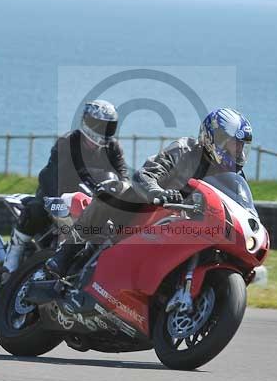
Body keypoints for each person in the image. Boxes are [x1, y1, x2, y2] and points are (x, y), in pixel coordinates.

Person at [45, 107, 253, 277]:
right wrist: (158, 192)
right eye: (234, 145)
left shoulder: (234, 176)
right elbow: (146, 174)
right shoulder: (185, 150)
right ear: (214, 138)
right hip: (152, 213)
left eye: (242, 147)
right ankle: (66, 253)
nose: (239, 152)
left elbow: (242, 208)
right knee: (114, 189)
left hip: (192, 228)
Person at [8, 100, 128, 268]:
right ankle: (12, 256)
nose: (103, 130)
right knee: (36, 210)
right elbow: (49, 176)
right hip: (58, 195)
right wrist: (55, 199)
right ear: (87, 122)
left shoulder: (113, 148)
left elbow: (123, 178)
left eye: (108, 126)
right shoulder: (68, 142)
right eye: (99, 124)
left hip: (91, 201)